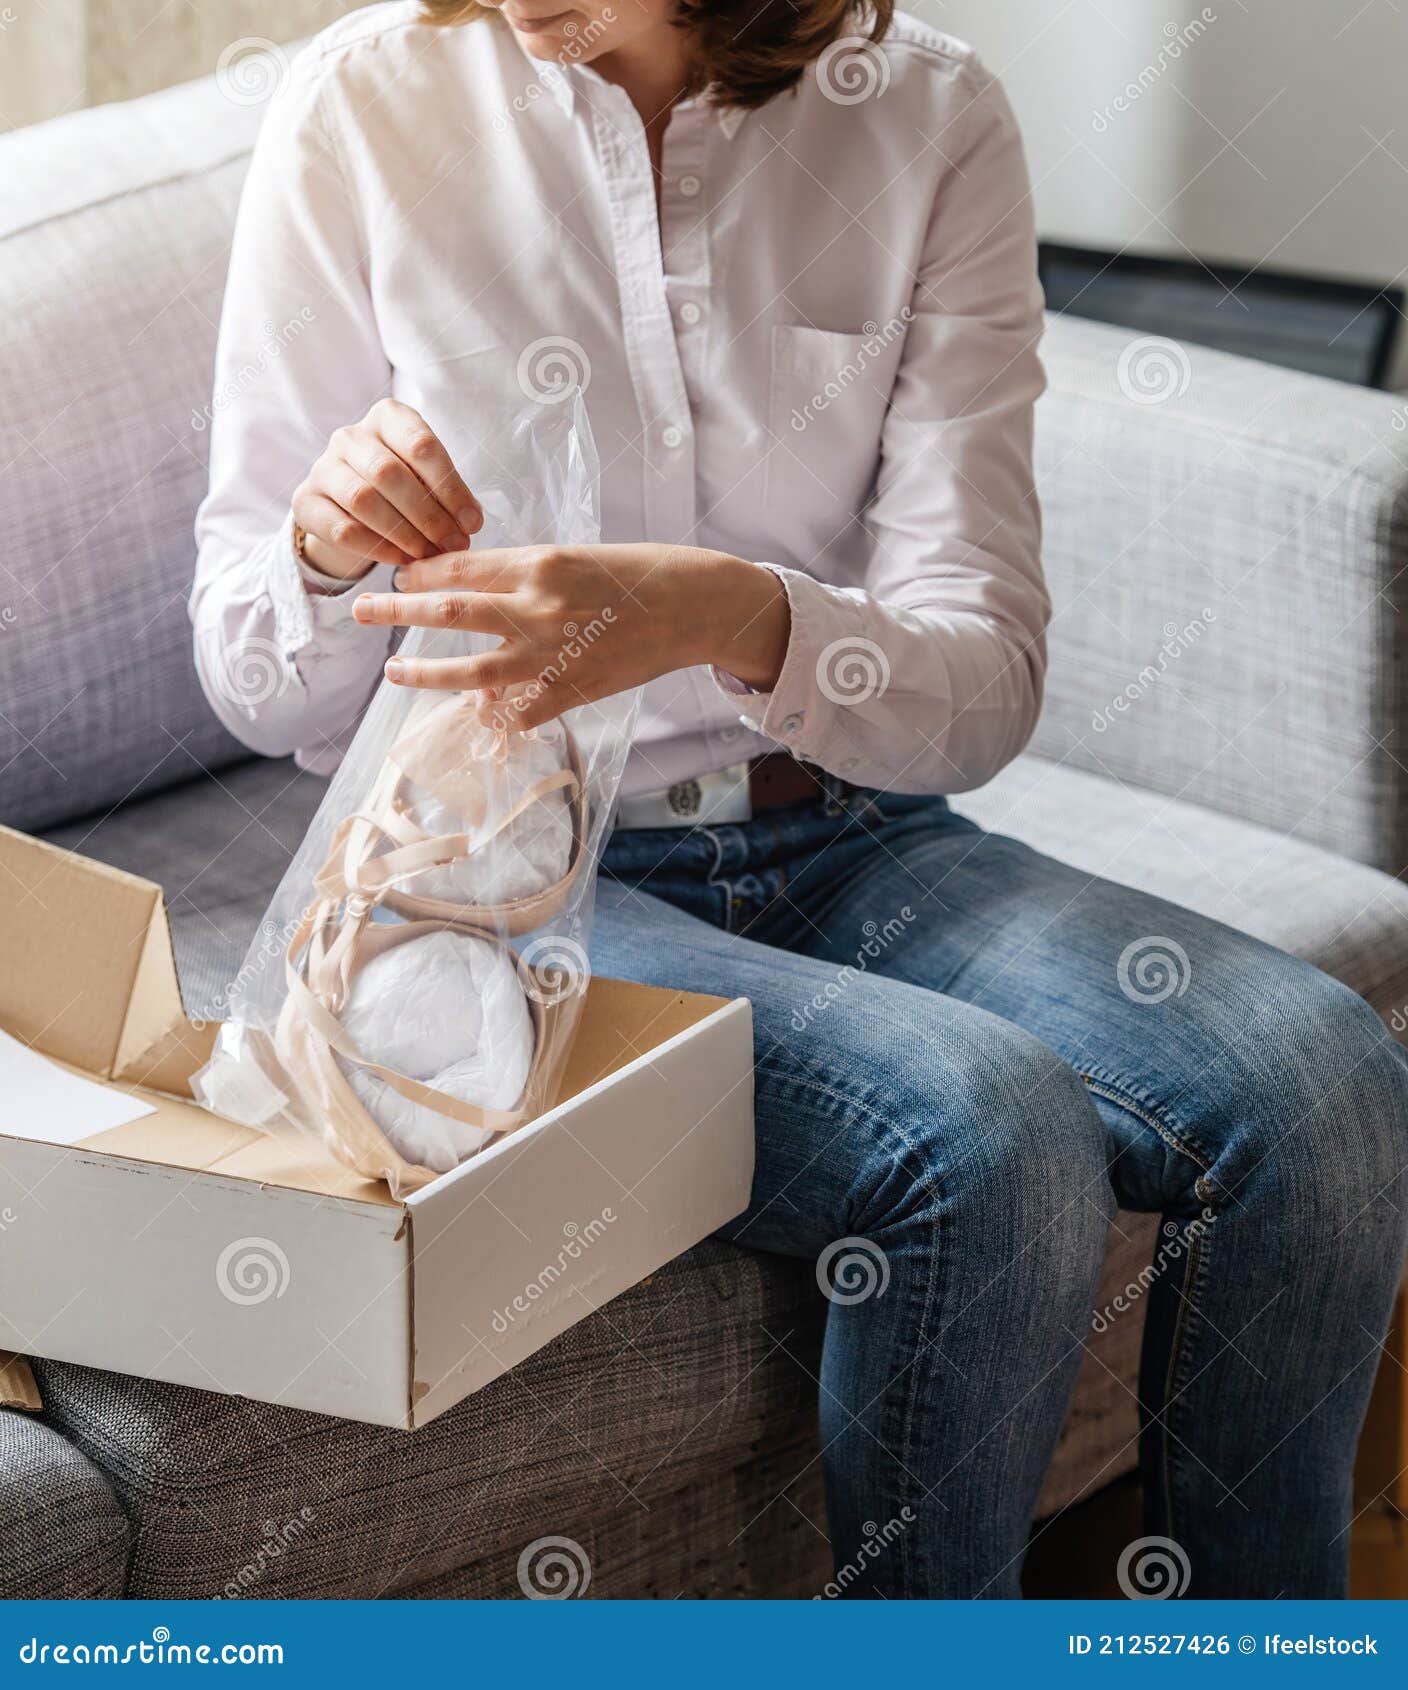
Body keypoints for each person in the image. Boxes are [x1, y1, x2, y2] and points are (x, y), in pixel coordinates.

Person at [191, 0, 1408, 1598]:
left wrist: (726, 612)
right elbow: (248, 669)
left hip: (856, 828)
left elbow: (985, 673)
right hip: (511, 869)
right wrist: (324, 545)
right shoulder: (369, 105)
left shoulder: (925, 116)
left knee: (1321, 1076)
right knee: (987, 1136)